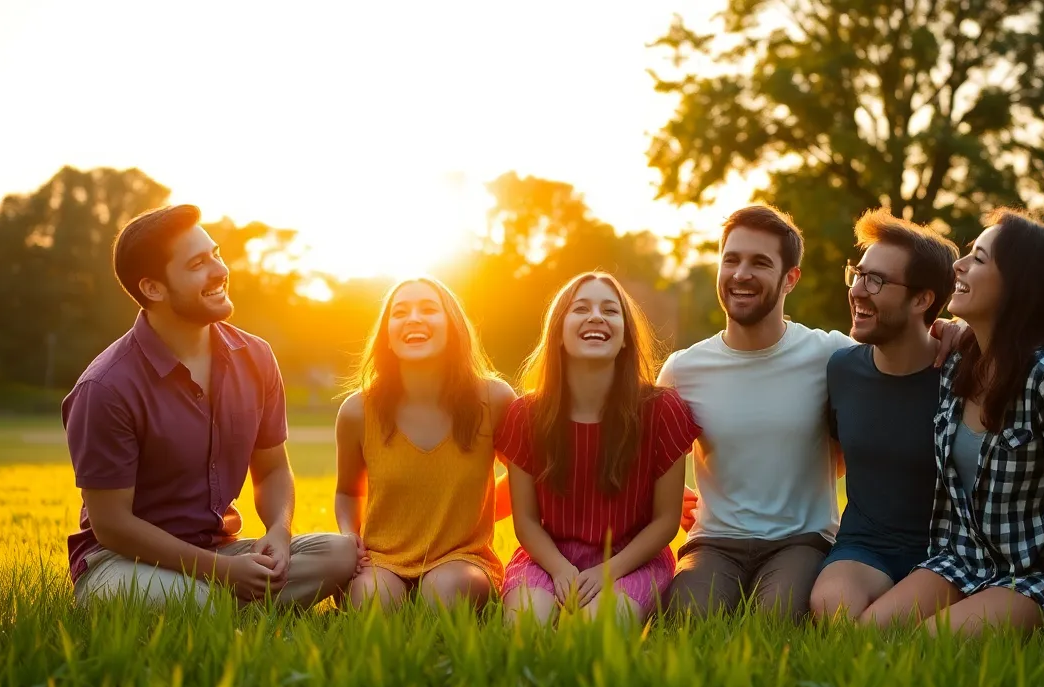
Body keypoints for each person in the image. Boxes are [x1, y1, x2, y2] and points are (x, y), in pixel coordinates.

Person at [661, 204, 962, 619]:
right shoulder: (683, 369)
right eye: (731, 260)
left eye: (760, 262)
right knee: (686, 618)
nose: (741, 273)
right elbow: (645, 460)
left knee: (778, 619)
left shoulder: (831, 355)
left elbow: (899, 350)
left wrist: (952, 327)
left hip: (802, 540)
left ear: (791, 278)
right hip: (713, 541)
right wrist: (669, 496)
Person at [63, 204, 356, 608]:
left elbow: (273, 469)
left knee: (339, 554)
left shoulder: (256, 357)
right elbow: (112, 525)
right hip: (123, 563)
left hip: (221, 552)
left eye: (215, 254)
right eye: (198, 264)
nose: (220, 270)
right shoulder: (106, 387)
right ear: (153, 288)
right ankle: (236, 606)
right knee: (194, 598)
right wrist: (224, 573)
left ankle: (233, 603)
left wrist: (279, 530)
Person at [864, 209, 1044, 646]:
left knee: (927, 644)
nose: (958, 266)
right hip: (965, 561)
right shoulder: (960, 362)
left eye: (978, 259)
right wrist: (953, 329)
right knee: (867, 633)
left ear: (1020, 286)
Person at [497, 272, 701, 624]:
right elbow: (526, 521)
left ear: (625, 337)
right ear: (558, 333)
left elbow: (666, 522)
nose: (596, 317)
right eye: (581, 309)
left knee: (594, 628)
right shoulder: (525, 415)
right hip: (548, 557)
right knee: (527, 625)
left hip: (633, 561)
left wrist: (608, 571)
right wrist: (559, 569)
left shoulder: (663, 410)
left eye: (610, 310)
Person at [809, 209, 958, 621]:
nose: (858, 290)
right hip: (863, 547)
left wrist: (962, 331)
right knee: (832, 607)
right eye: (858, 274)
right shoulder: (841, 370)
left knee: (882, 627)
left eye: (876, 280)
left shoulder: (962, 375)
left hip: (946, 555)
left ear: (922, 299)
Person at [335, 277, 515, 611]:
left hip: (463, 558)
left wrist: (479, 512)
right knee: (373, 604)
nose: (414, 318)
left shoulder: (495, 399)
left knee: (444, 594)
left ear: (453, 327)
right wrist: (349, 537)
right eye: (400, 312)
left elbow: (523, 480)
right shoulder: (357, 411)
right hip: (381, 559)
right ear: (387, 335)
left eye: (429, 309)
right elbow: (347, 492)